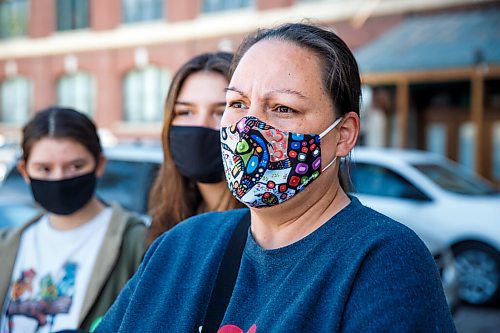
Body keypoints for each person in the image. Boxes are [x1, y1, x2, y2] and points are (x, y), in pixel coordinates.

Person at [95, 23, 456, 332]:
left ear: (344, 135)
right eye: (236, 104)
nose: (247, 127)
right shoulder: (180, 246)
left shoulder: (382, 261)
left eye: (283, 108)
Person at [0, 107, 147, 333]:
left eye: (75, 166)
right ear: (24, 172)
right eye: (44, 169)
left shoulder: (137, 242)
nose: (59, 178)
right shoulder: (7, 245)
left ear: (99, 165)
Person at [147, 52, 243, 245]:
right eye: (186, 112)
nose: (201, 125)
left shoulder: (267, 230)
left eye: (220, 112)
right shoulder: (165, 223)